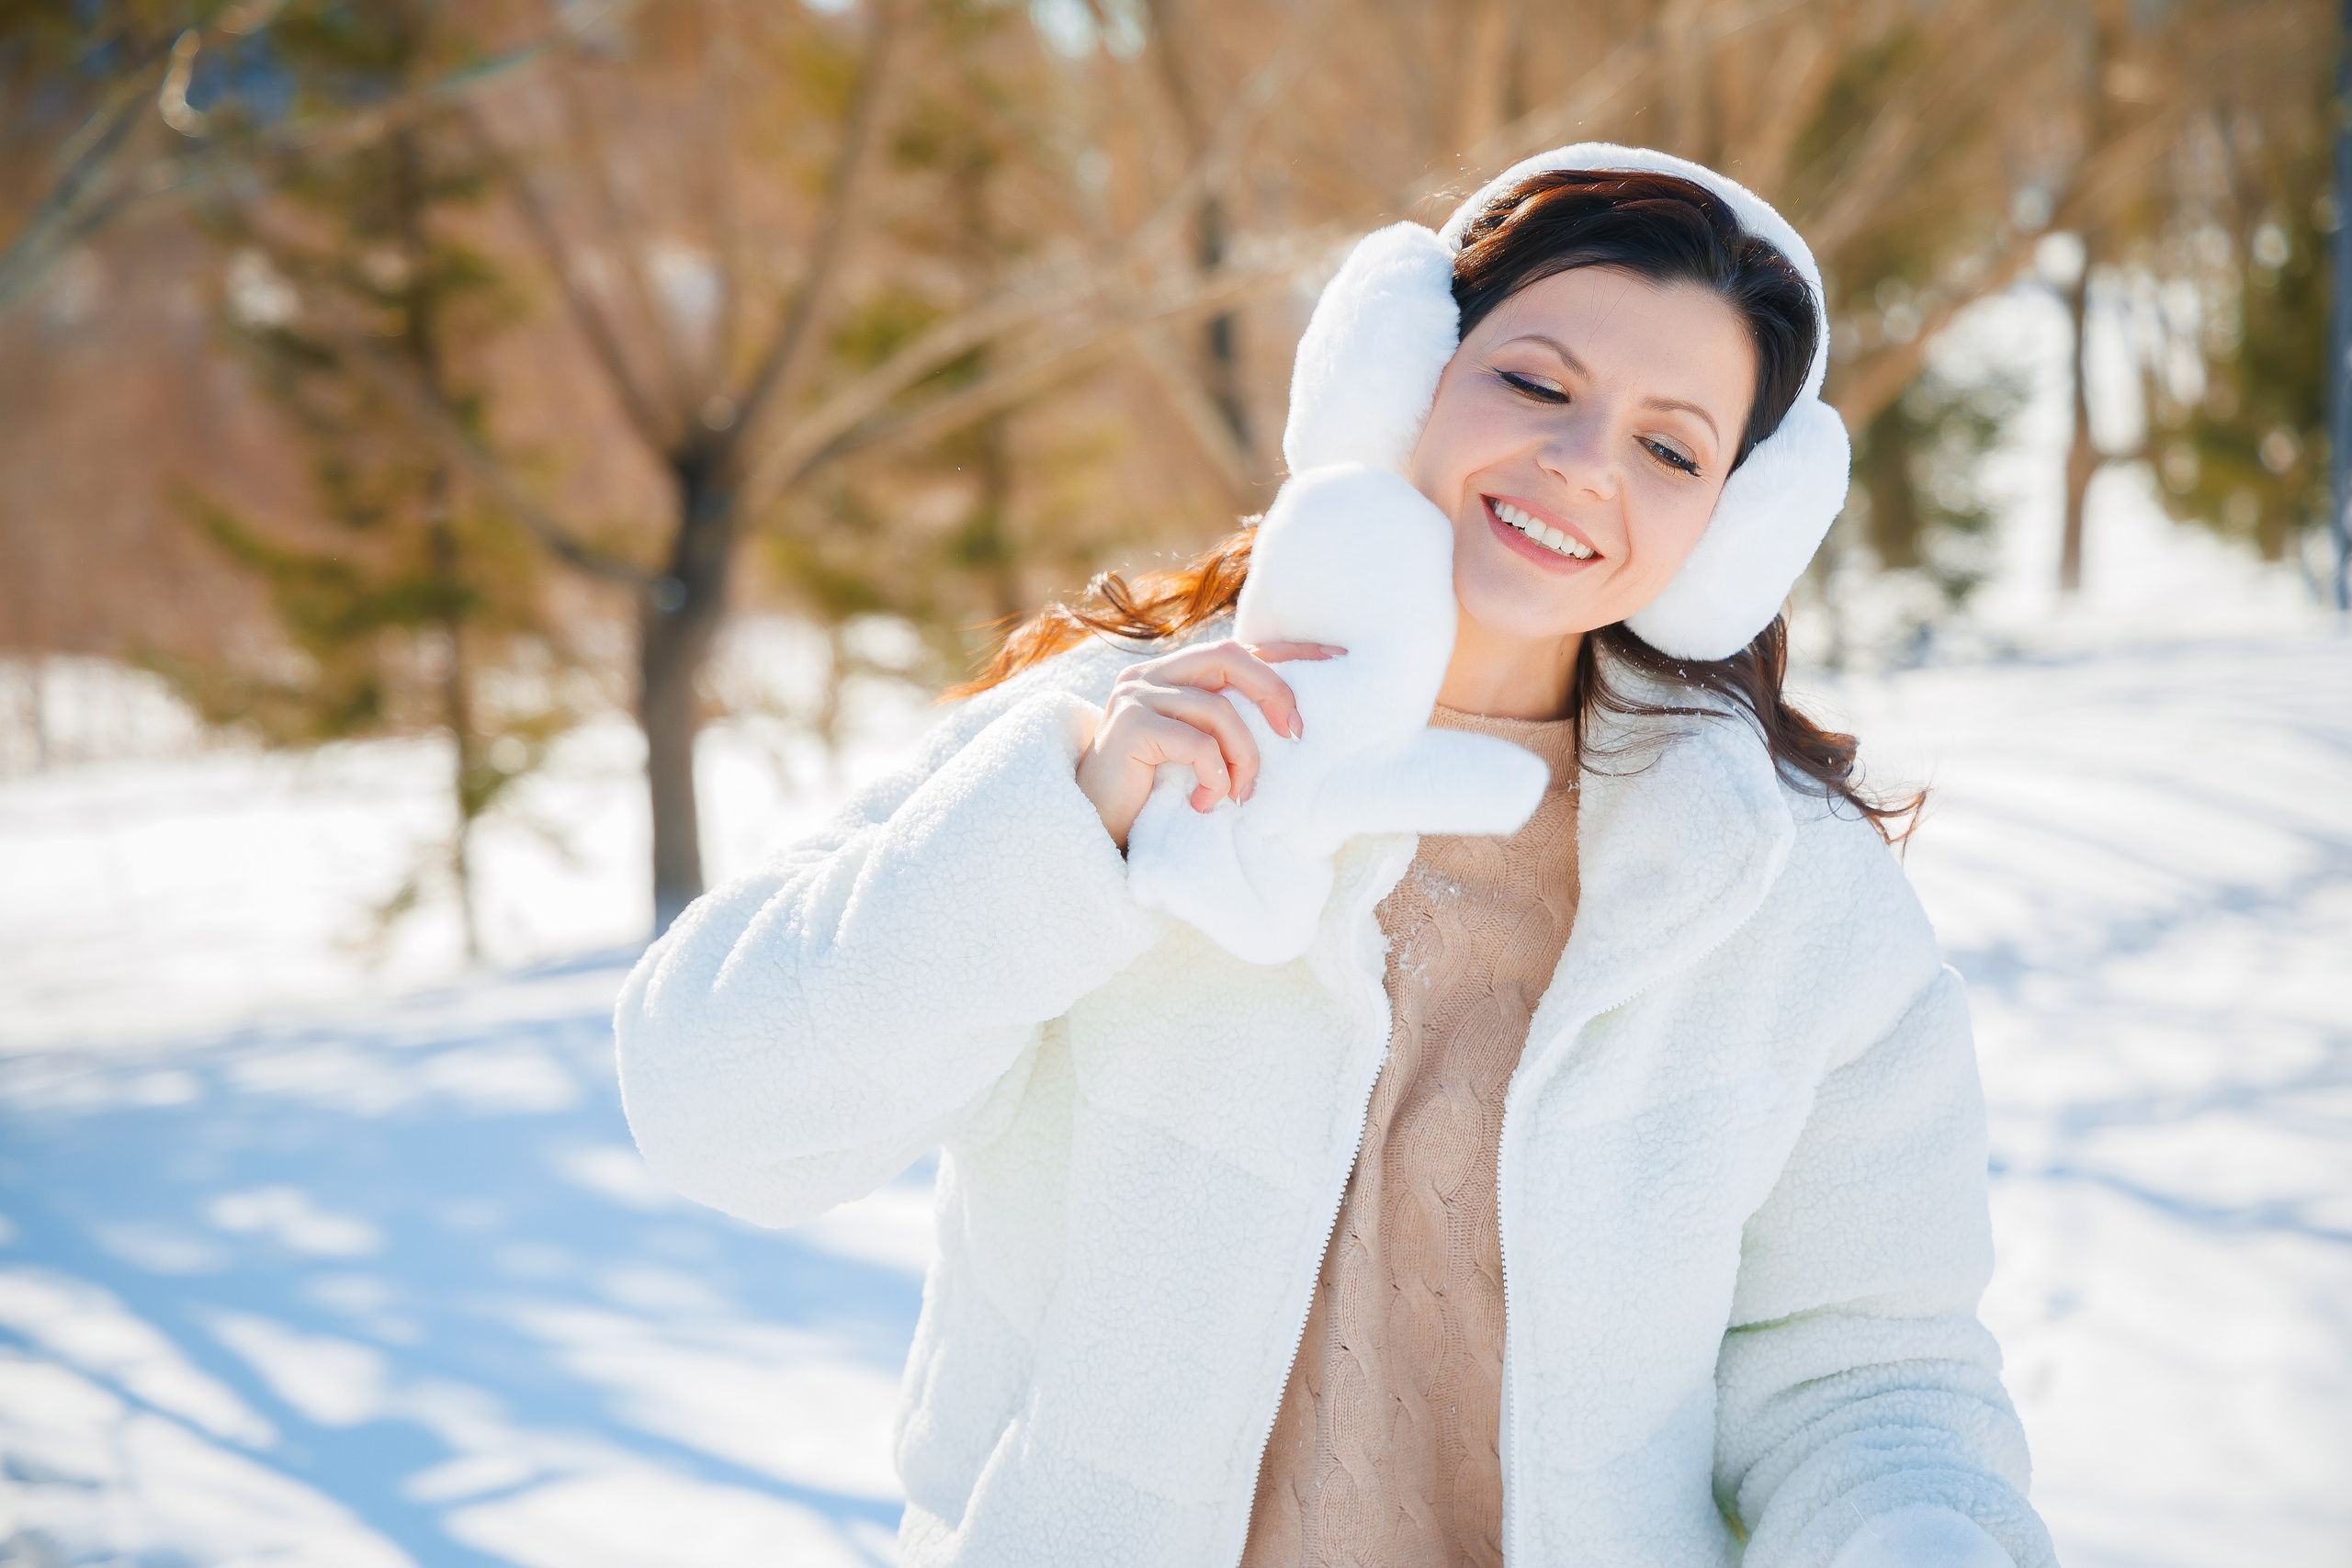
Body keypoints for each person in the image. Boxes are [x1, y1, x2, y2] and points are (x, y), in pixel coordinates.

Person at [615, 144, 2055, 1568]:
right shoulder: (1114, 745)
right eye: (1536, 384)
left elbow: (1871, 1368)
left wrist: (1908, 1536)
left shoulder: (1784, 896)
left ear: (1735, 526)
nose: (1578, 464)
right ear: (1403, 372)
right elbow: (710, 1108)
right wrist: (1077, 837)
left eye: (1669, 447)